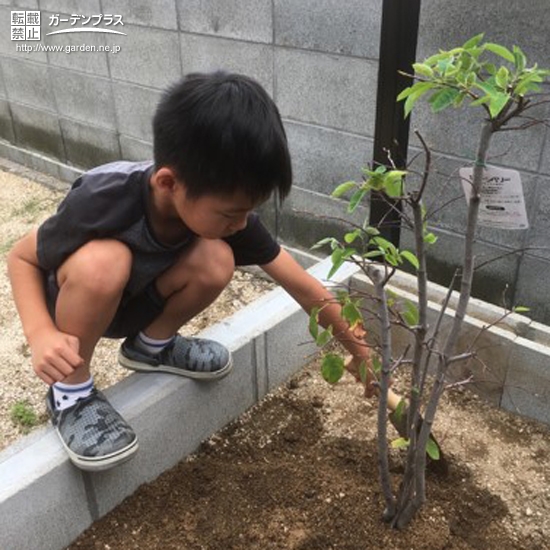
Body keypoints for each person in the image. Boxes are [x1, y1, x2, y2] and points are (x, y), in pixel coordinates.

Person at [7, 71, 372, 472]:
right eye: (232, 213)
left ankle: (150, 347)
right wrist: (41, 333)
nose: (241, 223)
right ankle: (70, 394)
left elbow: (300, 284)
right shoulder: (103, 197)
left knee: (217, 258)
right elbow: (22, 259)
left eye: (249, 212)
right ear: (168, 183)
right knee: (104, 263)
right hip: (80, 304)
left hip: (137, 300)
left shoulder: (225, 209)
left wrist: (359, 351)